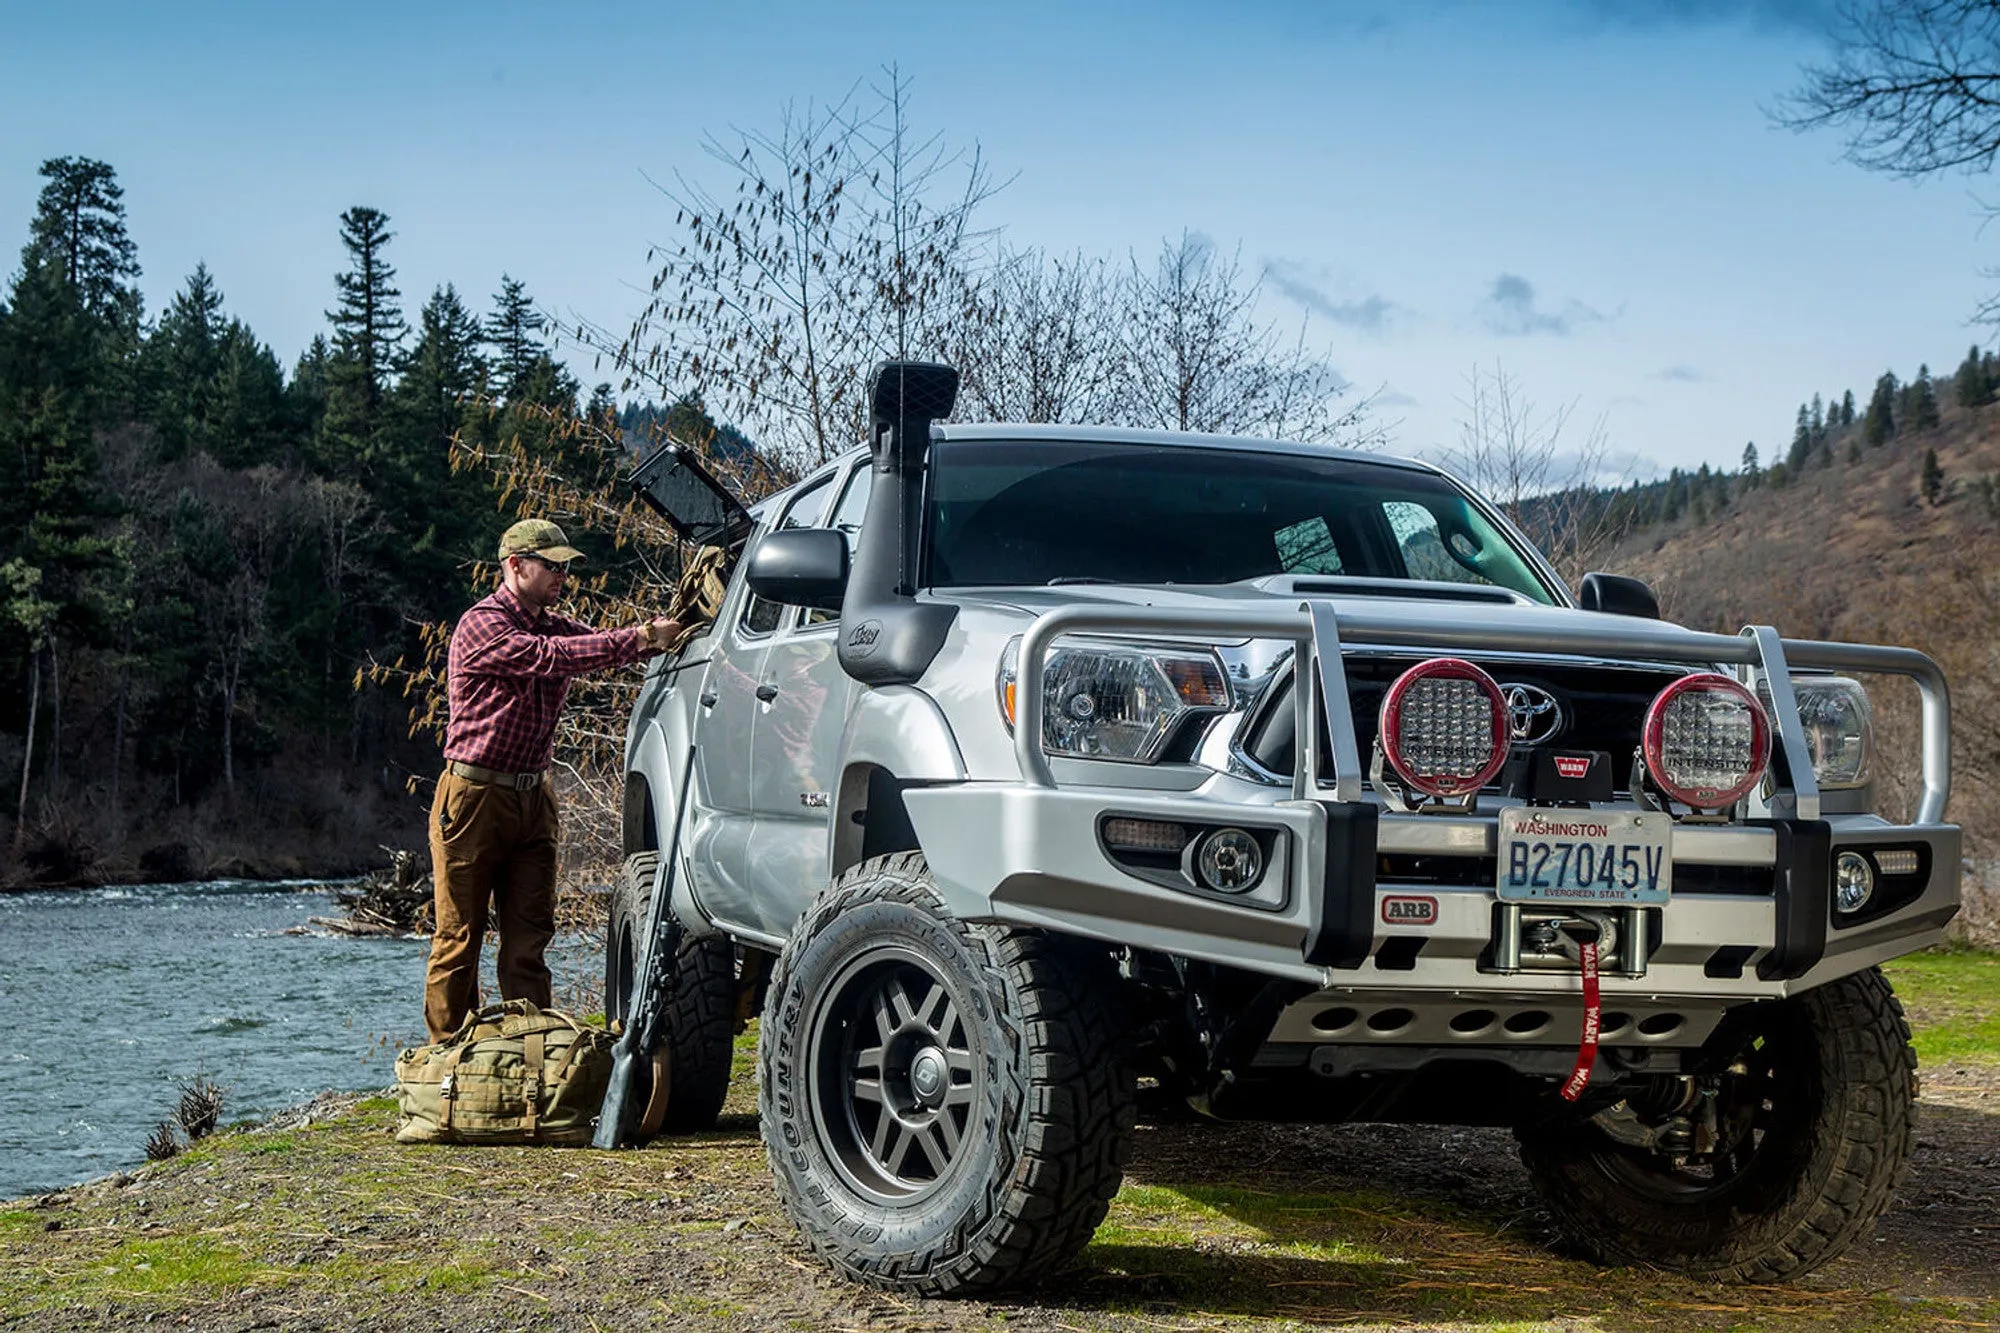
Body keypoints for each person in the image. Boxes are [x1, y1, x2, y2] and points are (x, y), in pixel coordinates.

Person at [423, 518, 680, 1042]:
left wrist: (663, 633)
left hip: (532, 798)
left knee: (528, 941)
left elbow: (603, 646)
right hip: (473, 798)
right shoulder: (483, 624)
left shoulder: (551, 622)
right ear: (515, 566)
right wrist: (641, 636)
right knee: (458, 940)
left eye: (565, 566)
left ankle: (528, 1061)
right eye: (551, 565)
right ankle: (445, 1067)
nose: (562, 575)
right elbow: (555, 658)